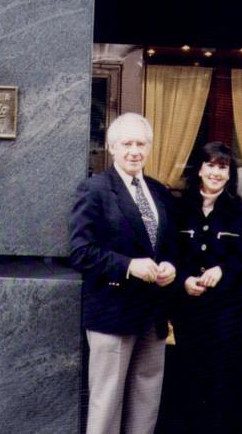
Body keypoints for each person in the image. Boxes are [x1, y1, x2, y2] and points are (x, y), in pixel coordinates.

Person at [69, 112, 177, 434]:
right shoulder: (95, 190)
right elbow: (80, 251)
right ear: (112, 148)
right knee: (107, 405)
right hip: (112, 313)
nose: (134, 150)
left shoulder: (159, 192)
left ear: (149, 147)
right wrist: (129, 266)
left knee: (146, 404)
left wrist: (171, 266)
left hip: (152, 315)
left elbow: (167, 247)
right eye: (126, 143)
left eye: (140, 143)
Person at [172, 141, 242, 434]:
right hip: (189, 316)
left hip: (227, 318)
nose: (216, 172)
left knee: (224, 388)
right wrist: (183, 279)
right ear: (200, 169)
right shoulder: (178, 209)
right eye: (211, 165)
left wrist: (224, 270)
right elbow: (169, 254)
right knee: (191, 384)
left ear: (230, 173)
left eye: (223, 167)